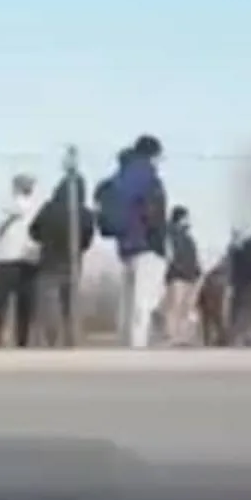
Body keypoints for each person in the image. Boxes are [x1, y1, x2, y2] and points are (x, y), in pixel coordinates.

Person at [99, 135, 167, 348]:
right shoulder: (148, 177)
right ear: (153, 155)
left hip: (125, 245)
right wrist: (159, 242)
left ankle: (125, 344)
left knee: (128, 302)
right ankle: (138, 347)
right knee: (143, 303)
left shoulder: (120, 176)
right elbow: (154, 214)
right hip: (147, 244)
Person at [29, 171, 93, 348]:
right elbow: (87, 241)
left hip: (49, 263)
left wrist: (46, 239)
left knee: (49, 306)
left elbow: (33, 231)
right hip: (73, 264)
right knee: (70, 306)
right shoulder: (85, 214)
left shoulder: (49, 208)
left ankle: (51, 341)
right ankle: (71, 341)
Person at [0, 174, 40, 348]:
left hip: (5, 258)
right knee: (24, 306)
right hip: (28, 259)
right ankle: (22, 341)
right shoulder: (37, 208)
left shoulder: (5, 207)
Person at [163, 206, 201, 345]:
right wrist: (176, 267)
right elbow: (170, 254)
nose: (189, 220)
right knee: (175, 306)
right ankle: (171, 336)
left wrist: (197, 272)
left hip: (190, 277)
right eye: (186, 218)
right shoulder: (170, 234)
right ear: (180, 218)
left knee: (186, 307)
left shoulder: (187, 237)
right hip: (177, 276)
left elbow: (193, 256)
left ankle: (182, 337)